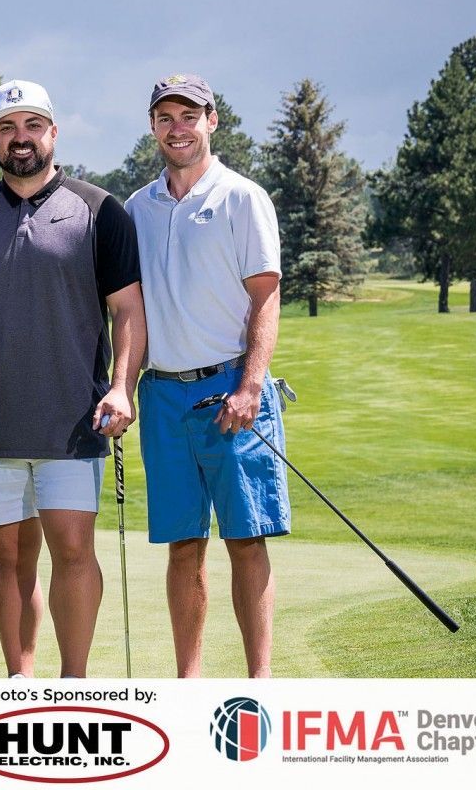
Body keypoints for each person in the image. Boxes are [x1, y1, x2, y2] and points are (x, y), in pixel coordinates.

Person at [0, 80, 145, 679]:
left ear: (53, 133)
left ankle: (73, 682)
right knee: (10, 559)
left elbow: (128, 309)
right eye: (6, 128)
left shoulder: (101, 211)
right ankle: (19, 685)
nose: (19, 139)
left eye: (31, 126)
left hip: (74, 420)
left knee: (73, 552)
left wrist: (122, 386)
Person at [125, 73, 290, 678]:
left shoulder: (243, 197)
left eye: (188, 116)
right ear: (153, 126)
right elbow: (130, 310)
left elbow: (266, 296)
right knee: (183, 544)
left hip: (231, 390)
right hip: (164, 391)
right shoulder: (136, 209)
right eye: (166, 117)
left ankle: (260, 683)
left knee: (246, 540)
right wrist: (122, 384)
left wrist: (251, 385)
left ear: (211, 121)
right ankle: (188, 684)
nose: (178, 128)